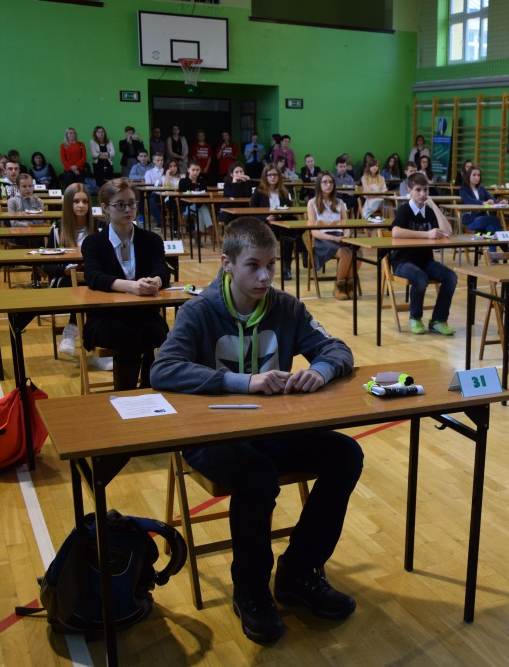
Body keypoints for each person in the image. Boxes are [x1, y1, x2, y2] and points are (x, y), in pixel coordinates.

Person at [149, 218, 361, 644]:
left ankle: (298, 572)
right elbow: (163, 369)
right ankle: (250, 589)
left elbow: (336, 348)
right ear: (227, 263)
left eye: (271, 265)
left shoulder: (287, 308)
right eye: (253, 266)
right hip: (211, 438)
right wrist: (243, 382)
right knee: (256, 475)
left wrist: (320, 370)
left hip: (271, 431)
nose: (265, 276)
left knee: (345, 455)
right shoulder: (198, 311)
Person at [81, 178, 171, 390]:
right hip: (105, 317)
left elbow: (162, 270)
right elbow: (93, 276)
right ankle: (125, 396)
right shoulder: (93, 243)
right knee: (129, 339)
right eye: (120, 205)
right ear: (105, 208)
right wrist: (132, 286)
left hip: (144, 314)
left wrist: (155, 281)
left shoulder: (151, 240)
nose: (128, 209)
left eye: (132, 203)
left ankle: (151, 391)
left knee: (161, 336)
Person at [391, 172, 457, 335]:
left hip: (425, 261)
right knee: (421, 278)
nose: (422, 194)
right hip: (403, 262)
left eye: (426, 190)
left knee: (451, 277)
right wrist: (427, 234)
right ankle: (415, 317)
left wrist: (435, 207)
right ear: (409, 191)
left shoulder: (429, 211)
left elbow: (448, 232)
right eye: (418, 190)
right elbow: (396, 232)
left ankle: (438, 320)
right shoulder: (404, 210)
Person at [44, 183, 102, 362]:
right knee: (85, 290)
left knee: (93, 289)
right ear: (68, 204)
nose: (81, 205)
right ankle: (85, 339)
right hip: (64, 280)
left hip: (91, 278)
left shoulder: (99, 228)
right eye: (76, 201)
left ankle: (73, 332)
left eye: (85, 201)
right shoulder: (57, 230)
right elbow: (47, 267)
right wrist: (65, 270)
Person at [308, 171, 359, 300]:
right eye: (325, 182)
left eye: (331, 182)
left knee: (358, 251)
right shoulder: (312, 203)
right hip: (323, 238)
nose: (328, 184)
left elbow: (346, 225)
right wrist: (333, 238)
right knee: (346, 253)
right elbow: (314, 232)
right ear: (319, 184)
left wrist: (346, 235)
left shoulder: (340, 202)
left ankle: (349, 285)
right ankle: (339, 286)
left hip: (339, 235)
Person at [250, 164, 298, 280]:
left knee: (290, 230)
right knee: (290, 233)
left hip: (281, 222)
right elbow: (252, 212)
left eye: (275, 175)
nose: (273, 177)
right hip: (265, 224)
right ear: (265, 176)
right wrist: (266, 218)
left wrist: (278, 215)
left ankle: (286, 267)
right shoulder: (258, 192)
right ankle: (303, 249)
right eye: (270, 175)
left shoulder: (284, 192)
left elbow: (289, 210)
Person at [459, 166, 507, 251]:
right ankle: (506, 248)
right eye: (474, 175)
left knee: (491, 229)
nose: (477, 177)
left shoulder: (481, 188)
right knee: (494, 219)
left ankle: (493, 256)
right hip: (471, 221)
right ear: (468, 176)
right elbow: (469, 200)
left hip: (483, 219)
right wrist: (483, 202)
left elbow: (490, 198)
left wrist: (500, 202)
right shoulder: (463, 189)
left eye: (478, 175)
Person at [178, 162, 213, 240]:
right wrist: (193, 185)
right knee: (203, 208)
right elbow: (181, 198)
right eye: (193, 170)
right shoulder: (183, 181)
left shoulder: (202, 181)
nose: (195, 172)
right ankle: (212, 234)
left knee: (200, 210)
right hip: (187, 207)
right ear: (188, 170)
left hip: (199, 206)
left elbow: (206, 195)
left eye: (197, 170)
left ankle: (197, 237)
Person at [143, 153, 166, 228]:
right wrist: (156, 185)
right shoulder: (149, 173)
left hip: (166, 192)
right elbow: (148, 187)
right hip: (155, 193)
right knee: (151, 199)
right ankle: (160, 221)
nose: (160, 162)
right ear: (153, 161)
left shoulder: (166, 171)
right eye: (158, 160)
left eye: (161, 160)